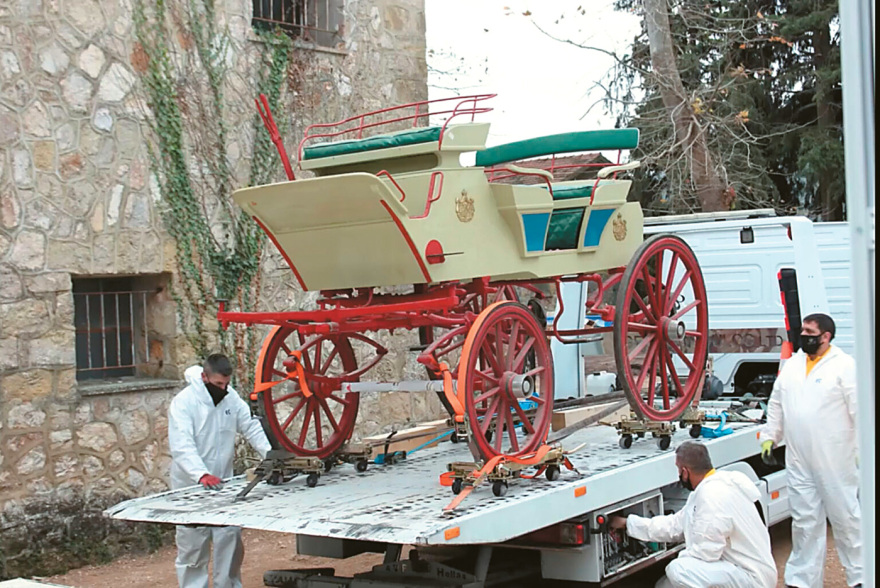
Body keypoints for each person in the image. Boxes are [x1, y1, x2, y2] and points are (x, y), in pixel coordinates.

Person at [761, 313, 862, 588]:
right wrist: (770, 437)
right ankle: (802, 581)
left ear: (826, 336)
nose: (803, 335)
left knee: (846, 520)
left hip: (835, 459)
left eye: (809, 331)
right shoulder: (794, 365)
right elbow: (777, 403)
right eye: (802, 329)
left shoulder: (843, 366)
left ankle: (861, 578)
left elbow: (860, 408)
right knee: (805, 523)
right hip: (799, 459)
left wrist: (863, 448)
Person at [610, 441, 776, 588]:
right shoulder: (718, 484)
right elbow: (674, 525)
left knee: (678, 570)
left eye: (678, 470)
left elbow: (706, 552)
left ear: (685, 471)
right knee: (663, 585)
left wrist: (677, 557)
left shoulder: (711, 496)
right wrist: (628, 523)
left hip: (751, 578)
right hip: (740, 569)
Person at [168, 353, 272, 588]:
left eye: (226, 384)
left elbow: (251, 426)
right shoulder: (184, 403)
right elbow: (182, 444)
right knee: (193, 546)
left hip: (223, 483)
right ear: (204, 377)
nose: (223, 389)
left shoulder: (230, 398)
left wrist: (271, 455)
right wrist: (200, 474)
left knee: (229, 541)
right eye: (218, 384)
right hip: (190, 485)